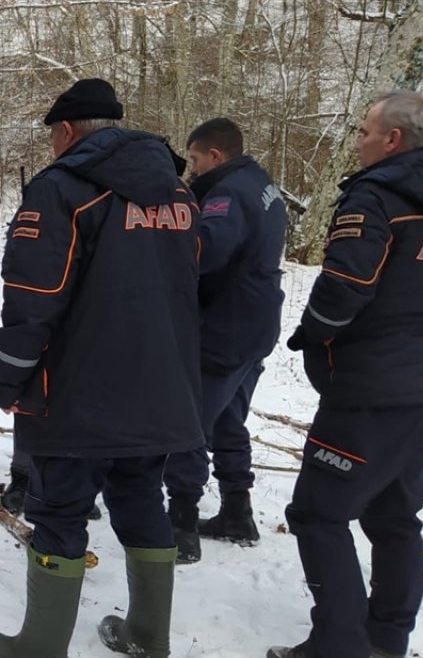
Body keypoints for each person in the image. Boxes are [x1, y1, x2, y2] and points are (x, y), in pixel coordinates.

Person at [0, 78, 203, 658]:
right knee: (141, 496)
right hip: (160, 386)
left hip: (78, 390)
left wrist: (6, 377)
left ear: (66, 131)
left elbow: (33, 294)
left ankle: (39, 647)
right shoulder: (179, 195)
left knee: (59, 507)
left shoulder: (61, 190)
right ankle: (149, 636)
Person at [269, 91, 423, 658]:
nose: (357, 141)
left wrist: (314, 335)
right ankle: (386, 637)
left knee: (317, 513)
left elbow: (346, 286)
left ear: (392, 139)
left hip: (371, 389)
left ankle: (339, 645)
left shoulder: (374, 197)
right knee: (394, 514)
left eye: (362, 130)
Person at [162, 117, 287, 563]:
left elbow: (209, 252)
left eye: (194, 159)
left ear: (215, 155)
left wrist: (166, 248)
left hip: (225, 326)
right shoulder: (261, 184)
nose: (191, 168)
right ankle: (237, 509)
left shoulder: (227, 194)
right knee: (228, 418)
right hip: (255, 322)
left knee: (188, 421)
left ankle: (180, 524)